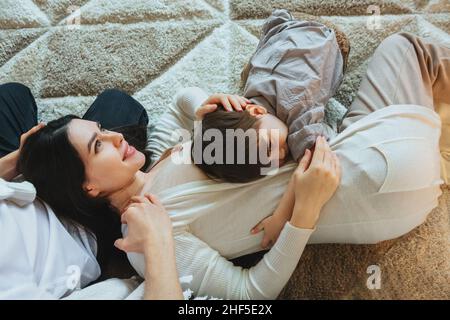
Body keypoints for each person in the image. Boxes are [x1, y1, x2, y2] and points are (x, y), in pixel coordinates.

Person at [0, 84, 182, 299]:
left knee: (11, 94)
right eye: (98, 145)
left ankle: (79, 147)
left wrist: (20, 159)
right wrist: (157, 242)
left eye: (102, 129)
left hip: (29, 189)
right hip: (82, 225)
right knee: (119, 105)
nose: (118, 137)